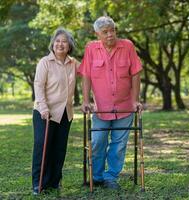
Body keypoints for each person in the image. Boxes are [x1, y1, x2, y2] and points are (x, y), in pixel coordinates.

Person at [79, 16, 143, 190]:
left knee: (119, 145)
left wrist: (136, 100)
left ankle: (110, 177)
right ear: (97, 34)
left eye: (112, 30)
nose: (110, 35)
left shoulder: (127, 46)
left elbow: (136, 73)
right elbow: (86, 75)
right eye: (105, 32)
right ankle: (97, 176)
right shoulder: (91, 48)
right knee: (98, 141)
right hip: (101, 107)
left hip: (125, 106)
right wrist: (85, 100)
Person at [32, 28, 79, 195]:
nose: (60, 44)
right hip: (45, 112)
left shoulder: (73, 63)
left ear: (69, 45)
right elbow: (39, 85)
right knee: (42, 147)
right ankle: (38, 184)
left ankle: (54, 182)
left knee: (59, 149)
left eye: (64, 41)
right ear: (53, 43)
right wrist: (43, 108)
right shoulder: (45, 62)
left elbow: (89, 74)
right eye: (57, 41)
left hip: (65, 112)